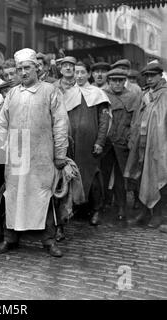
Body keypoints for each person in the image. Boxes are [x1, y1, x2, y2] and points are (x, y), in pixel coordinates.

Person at [0, 48, 68, 258]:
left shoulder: (50, 91)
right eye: (19, 69)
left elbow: (60, 124)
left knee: (43, 195)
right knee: (13, 196)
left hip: (42, 156)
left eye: (27, 68)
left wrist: (60, 153)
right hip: (16, 157)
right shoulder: (12, 93)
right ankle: (10, 238)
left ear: (37, 68)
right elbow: (1, 124)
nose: (23, 72)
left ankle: (48, 240)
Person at [62, 61, 110, 226]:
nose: (79, 76)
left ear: (89, 74)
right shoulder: (68, 93)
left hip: (90, 143)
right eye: (76, 73)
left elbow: (104, 121)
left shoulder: (97, 93)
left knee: (93, 175)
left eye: (83, 72)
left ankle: (96, 209)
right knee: (73, 174)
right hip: (73, 142)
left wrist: (100, 142)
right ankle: (76, 207)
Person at [124, 63, 167, 230]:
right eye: (147, 76)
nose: (149, 79)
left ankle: (157, 214)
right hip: (142, 143)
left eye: (152, 76)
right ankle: (143, 211)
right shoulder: (145, 95)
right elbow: (137, 118)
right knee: (141, 175)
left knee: (157, 177)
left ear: (159, 75)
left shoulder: (165, 95)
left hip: (159, 144)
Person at [101, 69, 140, 220]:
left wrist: (130, 138)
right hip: (106, 143)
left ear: (125, 81)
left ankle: (121, 207)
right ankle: (102, 204)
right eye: (114, 80)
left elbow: (135, 121)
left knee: (120, 176)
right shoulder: (102, 95)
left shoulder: (133, 97)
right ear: (109, 81)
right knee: (103, 175)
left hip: (122, 143)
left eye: (120, 80)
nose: (117, 83)